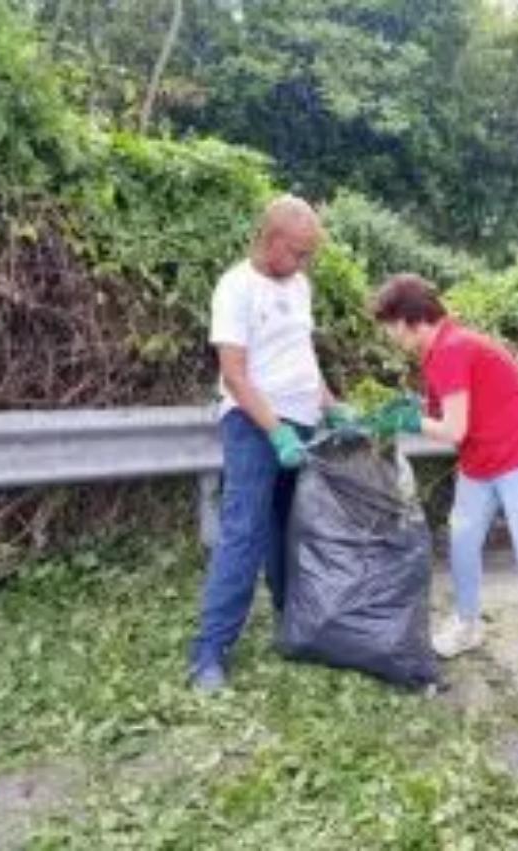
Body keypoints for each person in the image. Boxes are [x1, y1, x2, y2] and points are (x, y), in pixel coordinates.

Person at [369, 274, 518, 705]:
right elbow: (452, 412)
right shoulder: (437, 351)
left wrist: (408, 423)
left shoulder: (451, 350)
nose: (389, 337)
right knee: (463, 542)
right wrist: (412, 408)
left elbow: (453, 428)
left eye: (390, 327)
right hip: (481, 462)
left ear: (411, 321)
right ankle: (467, 625)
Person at [190, 195, 348, 691]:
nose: (304, 262)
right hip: (255, 426)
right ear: (273, 240)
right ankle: (209, 653)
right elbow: (234, 375)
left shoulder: (298, 284)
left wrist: (330, 403)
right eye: (299, 252)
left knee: (292, 527)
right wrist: (274, 430)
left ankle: (292, 623)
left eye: (308, 255)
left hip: (300, 423)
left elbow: (302, 355)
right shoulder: (236, 287)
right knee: (245, 532)